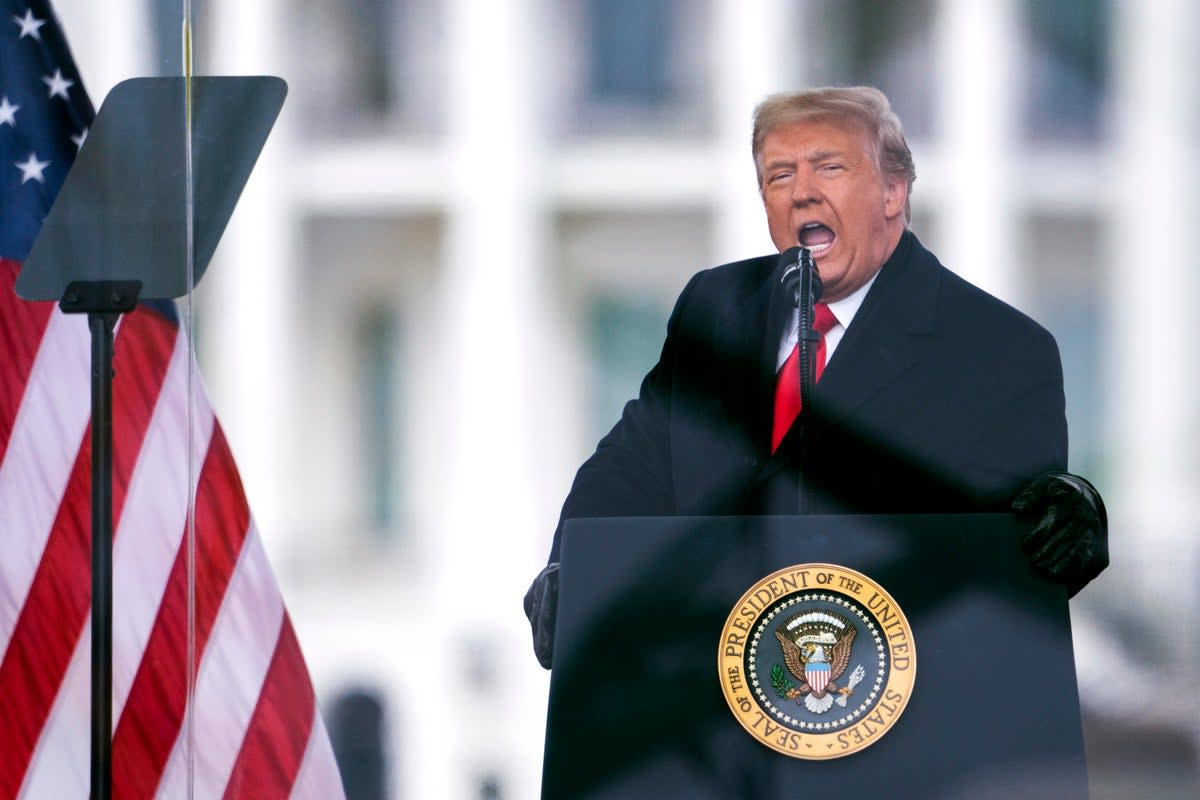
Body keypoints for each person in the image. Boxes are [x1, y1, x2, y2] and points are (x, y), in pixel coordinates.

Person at [524, 86, 1107, 669]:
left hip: (893, 705)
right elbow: (633, 466)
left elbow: (1025, 540)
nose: (802, 192)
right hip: (705, 698)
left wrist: (1069, 513)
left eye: (829, 167)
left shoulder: (997, 347)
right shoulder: (716, 306)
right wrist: (571, 570)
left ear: (893, 191)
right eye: (779, 176)